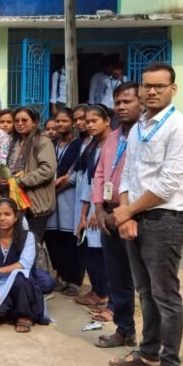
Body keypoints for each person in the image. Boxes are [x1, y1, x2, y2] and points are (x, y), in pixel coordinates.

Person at [109, 63, 183, 366]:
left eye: (159, 86)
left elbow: (168, 184)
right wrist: (127, 214)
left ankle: (170, 365)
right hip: (136, 217)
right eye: (147, 86)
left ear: (173, 89)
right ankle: (148, 353)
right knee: (145, 291)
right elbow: (128, 174)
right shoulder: (139, 127)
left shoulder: (180, 128)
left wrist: (128, 210)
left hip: (165, 220)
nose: (151, 91)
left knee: (165, 295)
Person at [91, 82, 141, 347]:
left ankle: (153, 344)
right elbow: (100, 173)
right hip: (109, 214)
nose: (121, 107)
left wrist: (127, 211)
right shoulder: (113, 136)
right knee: (118, 276)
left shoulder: (145, 135)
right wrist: (99, 208)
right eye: (118, 102)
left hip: (135, 214)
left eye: (127, 101)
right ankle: (124, 329)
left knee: (143, 280)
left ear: (141, 103)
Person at [0, 198, 48, 333]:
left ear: (16, 217)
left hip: (22, 284)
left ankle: (24, 315)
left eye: (7, 214)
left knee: (19, 276)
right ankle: (11, 309)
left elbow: (24, 264)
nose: (2, 218)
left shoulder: (27, 236)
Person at [74, 105, 112, 309]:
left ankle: (104, 293)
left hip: (106, 206)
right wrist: (83, 215)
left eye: (93, 121)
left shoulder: (114, 145)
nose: (89, 125)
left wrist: (100, 210)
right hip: (92, 205)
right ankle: (97, 289)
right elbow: (90, 183)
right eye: (87, 121)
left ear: (107, 121)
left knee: (102, 253)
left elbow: (110, 181)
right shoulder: (92, 146)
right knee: (90, 250)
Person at [44, 107, 82, 296]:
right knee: (53, 238)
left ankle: (73, 280)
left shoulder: (79, 145)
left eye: (64, 121)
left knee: (70, 240)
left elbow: (74, 174)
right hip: (52, 199)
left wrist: (57, 187)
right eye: (58, 121)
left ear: (72, 123)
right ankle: (60, 275)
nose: (60, 124)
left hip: (68, 196)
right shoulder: (52, 144)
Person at [6, 107, 56, 243]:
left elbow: (47, 170)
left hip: (35, 202)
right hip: (16, 201)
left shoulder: (42, 141)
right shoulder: (14, 142)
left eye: (24, 120)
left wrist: (21, 180)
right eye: (16, 121)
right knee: (18, 244)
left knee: (32, 245)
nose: (20, 123)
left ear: (34, 122)